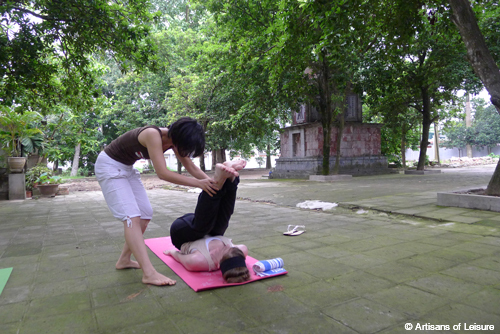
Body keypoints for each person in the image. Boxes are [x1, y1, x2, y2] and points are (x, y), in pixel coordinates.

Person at [94, 117, 218, 286]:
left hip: (127, 168)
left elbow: (192, 167)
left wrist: (214, 184)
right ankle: (149, 273)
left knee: (145, 215)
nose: (186, 153)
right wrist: (199, 184)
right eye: (187, 147)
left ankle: (124, 260)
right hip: (109, 166)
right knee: (131, 217)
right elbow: (162, 173)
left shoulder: (174, 142)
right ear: (178, 138)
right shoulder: (153, 134)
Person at [163, 160, 251, 283]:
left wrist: (171, 252)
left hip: (184, 232)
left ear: (219, 262)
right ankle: (231, 179)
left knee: (202, 227)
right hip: (212, 227)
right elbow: (241, 248)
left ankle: (218, 180)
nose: (227, 247)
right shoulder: (241, 251)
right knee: (224, 220)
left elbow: (179, 256)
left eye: (225, 251)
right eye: (232, 249)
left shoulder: (199, 261)